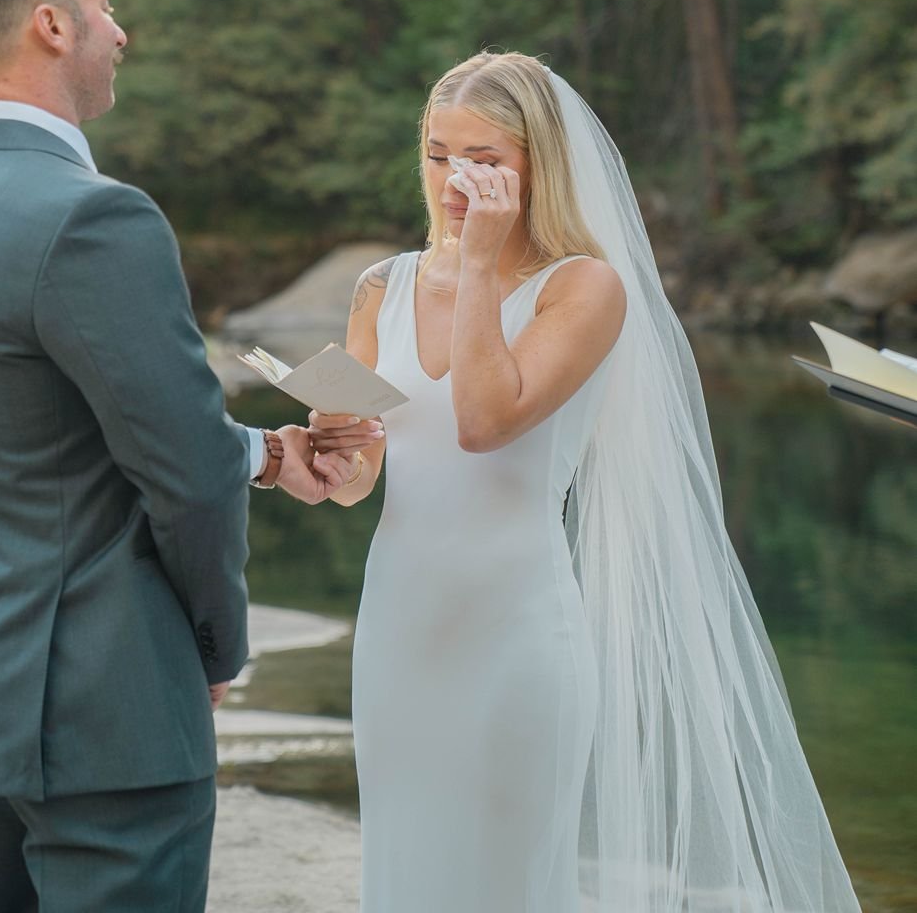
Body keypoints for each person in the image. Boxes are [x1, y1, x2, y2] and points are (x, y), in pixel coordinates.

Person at [0, 0, 366, 913]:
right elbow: (184, 475)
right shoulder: (97, 218)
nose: (120, 30)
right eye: (104, 5)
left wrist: (268, 452)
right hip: (103, 716)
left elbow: (45, 438)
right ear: (51, 26)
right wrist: (212, 648)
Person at [311, 50, 862, 913]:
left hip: (515, 632)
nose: (454, 180)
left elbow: (483, 422)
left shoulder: (583, 288)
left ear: (538, 165)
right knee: (404, 865)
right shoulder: (382, 286)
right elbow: (358, 480)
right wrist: (326, 449)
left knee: (511, 880)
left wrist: (480, 264)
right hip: (399, 625)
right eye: (438, 154)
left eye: (483, 159)